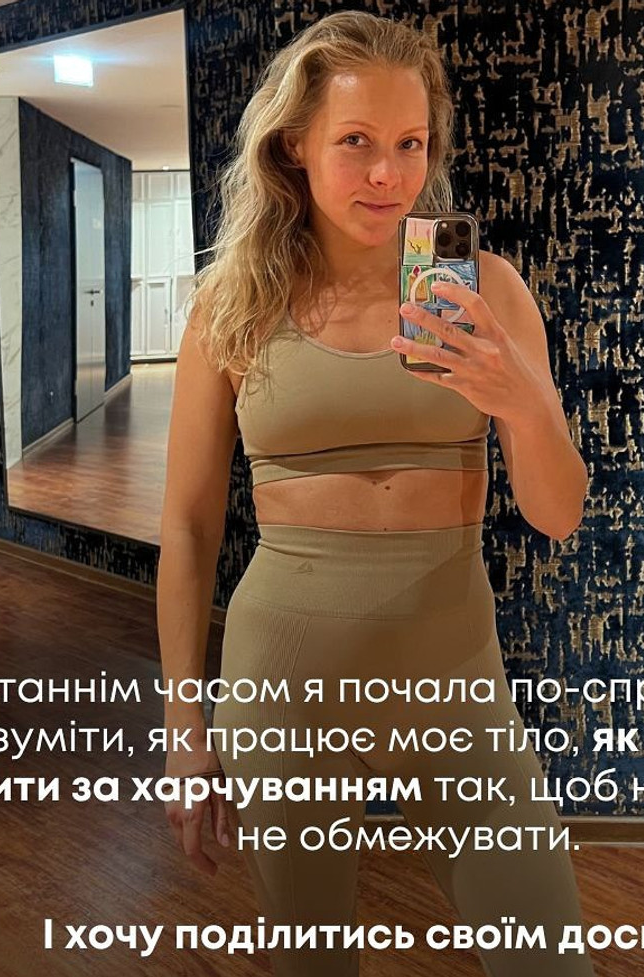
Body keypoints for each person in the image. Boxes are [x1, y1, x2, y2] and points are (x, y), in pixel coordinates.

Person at [156, 11, 592, 976]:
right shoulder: (232, 305)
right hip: (282, 686)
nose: (388, 174)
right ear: (295, 146)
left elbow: (557, 512)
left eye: (410, 144)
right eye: (355, 141)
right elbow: (186, 528)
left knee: (548, 958)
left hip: (456, 683)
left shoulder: (485, 289)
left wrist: (521, 400)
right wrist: (185, 728)